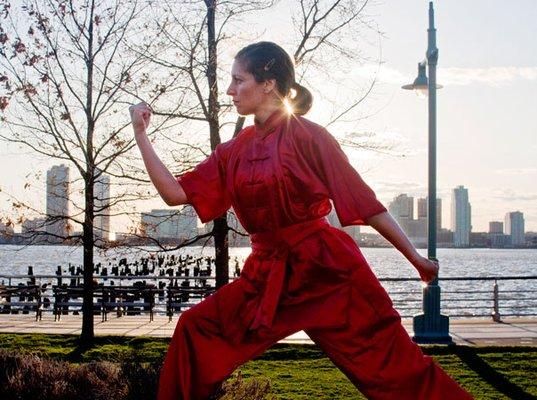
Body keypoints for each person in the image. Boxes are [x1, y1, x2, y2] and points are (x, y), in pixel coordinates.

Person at [130, 41, 473, 400]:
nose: (229, 91)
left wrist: (415, 259)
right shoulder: (233, 151)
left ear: (268, 83)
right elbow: (175, 193)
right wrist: (142, 136)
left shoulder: (311, 137)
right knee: (195, 330)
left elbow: (366, 204)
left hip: (327, 271)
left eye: (238, 80)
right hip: (266, 276)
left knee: (399, 371)